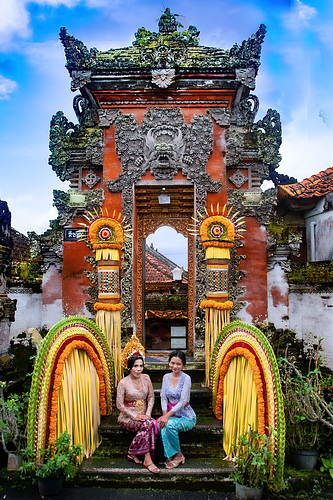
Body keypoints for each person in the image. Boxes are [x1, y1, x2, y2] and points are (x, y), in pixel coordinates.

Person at [116, 335, 160, 474]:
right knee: (148, 425)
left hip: (144, 416)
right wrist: (134, 416)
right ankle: (147, 459)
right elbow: (119, 404)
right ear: (129, 367)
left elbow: (151, 397)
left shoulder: (146, 378)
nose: (139, 369)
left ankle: (133, 452)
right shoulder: (123, 382)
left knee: (152, 424)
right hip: (128, 417)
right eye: (135, 366)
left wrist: (147, 414)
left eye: (141, 366)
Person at [158, 350, 196, 468]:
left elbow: (183, 401)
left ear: (183, 364)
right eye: (172, 363)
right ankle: (174, 454)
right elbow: (163, 396)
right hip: (170, 414)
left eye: (178, 364)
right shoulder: (166, 377)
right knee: (160, 426)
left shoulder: (186, 378)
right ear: (169, 363)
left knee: (168, 425)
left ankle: (178, 455)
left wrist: (167, 416)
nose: (175, 366)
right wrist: (164, 411)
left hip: (186, 416)